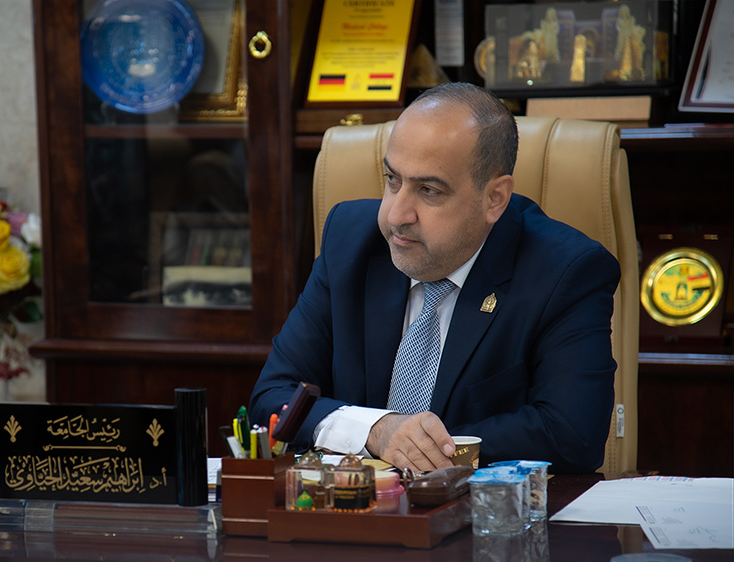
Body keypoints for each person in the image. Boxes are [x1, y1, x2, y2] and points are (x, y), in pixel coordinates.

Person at [250, 82, 619, 474]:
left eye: (428, 190)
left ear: (494, 199)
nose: (396, 215)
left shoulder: (565, 272)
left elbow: (571, 435)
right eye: (393, 180)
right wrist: (376, 430)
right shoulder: (351, 242)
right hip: (357, 503)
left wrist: (424, 449)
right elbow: (273, 398)